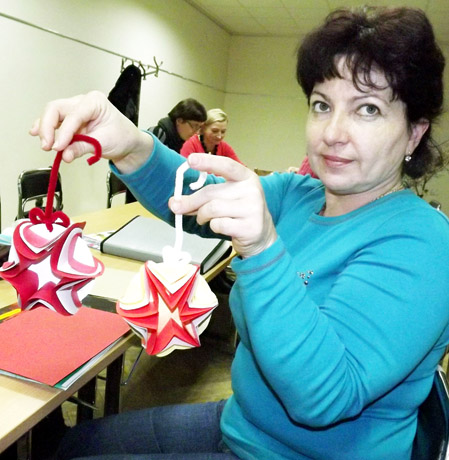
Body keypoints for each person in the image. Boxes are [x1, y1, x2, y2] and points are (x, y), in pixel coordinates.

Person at [30, 6, 449, 460]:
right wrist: (130, 144)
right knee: (73, 446)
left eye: (368, 109)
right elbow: (198, 197)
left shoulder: (424, 243)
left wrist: (264, 250)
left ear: (414, 133)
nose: (333, 132)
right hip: (244, 422)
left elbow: (326, 395)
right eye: (322, 105)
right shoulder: (296, 194)